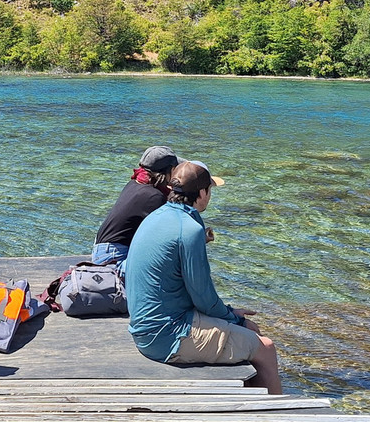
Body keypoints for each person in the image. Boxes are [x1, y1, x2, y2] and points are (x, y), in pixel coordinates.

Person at [124, 160, 282, 394]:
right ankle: (278, 414)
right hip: (167, 337)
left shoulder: (158, 216)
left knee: (249, 330)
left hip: (148, 327)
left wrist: (230, 317)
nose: (210, 195)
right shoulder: (189, 230)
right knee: (266, 347)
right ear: (201, 192)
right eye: (210, 190)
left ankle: (249, 399)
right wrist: (231, 315)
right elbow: (203, 297)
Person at [92, 146, 182, 274]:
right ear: (169, 171)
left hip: (102, 250)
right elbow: (167, 236)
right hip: (115, 257)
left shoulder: (134, 184)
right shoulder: (155, 197)